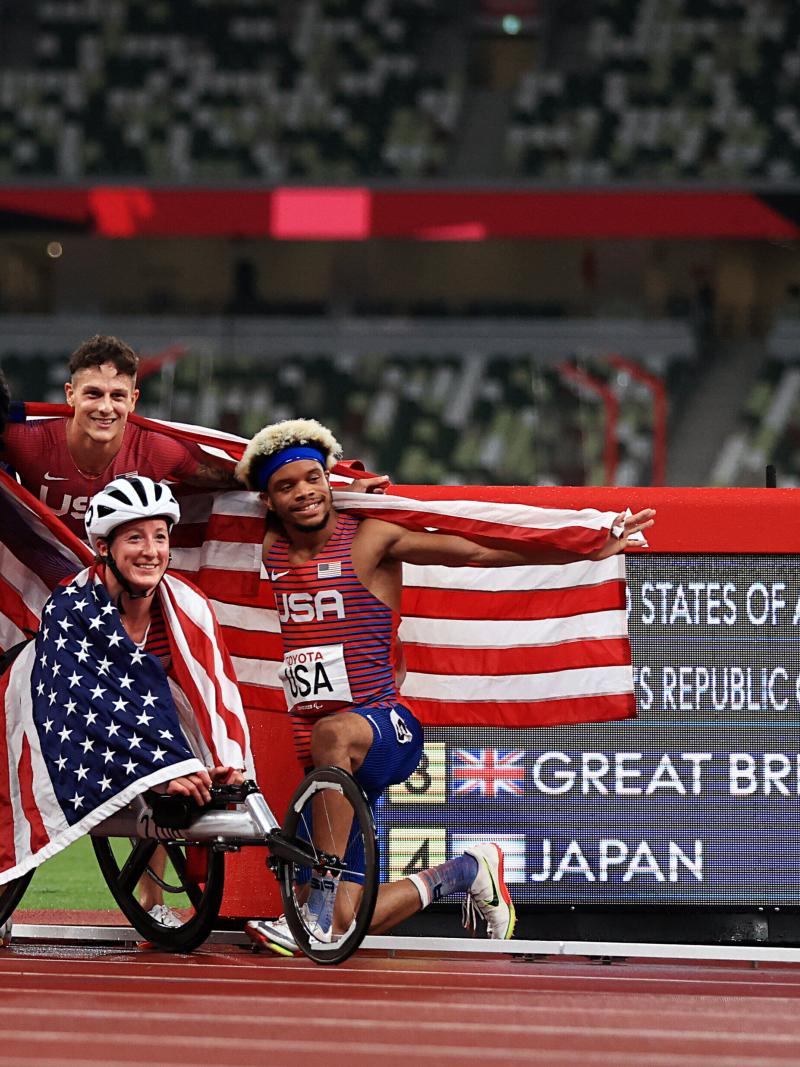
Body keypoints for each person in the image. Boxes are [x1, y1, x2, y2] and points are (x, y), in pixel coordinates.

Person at [237, 419, 655, 951]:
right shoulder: (269, 549)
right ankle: (464, 872)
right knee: (348, 923)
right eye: (286, 486)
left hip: (384, 730)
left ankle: (313, 904)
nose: (304, 492)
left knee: (332, 737)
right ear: (268, 501)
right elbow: (215, 490)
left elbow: (479, 551)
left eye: (313, 478)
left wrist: (581, 547)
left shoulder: (369, 538)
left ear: (328, 480)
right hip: (326, 762)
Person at [0, 334, 240, 541]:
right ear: (70, 395)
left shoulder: (157, 450)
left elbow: (231, 478)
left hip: (119, 580)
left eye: (117, 396)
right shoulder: (26, 441)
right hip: (40, 577)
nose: (105, 407)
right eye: (93, 394)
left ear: (133, 400)